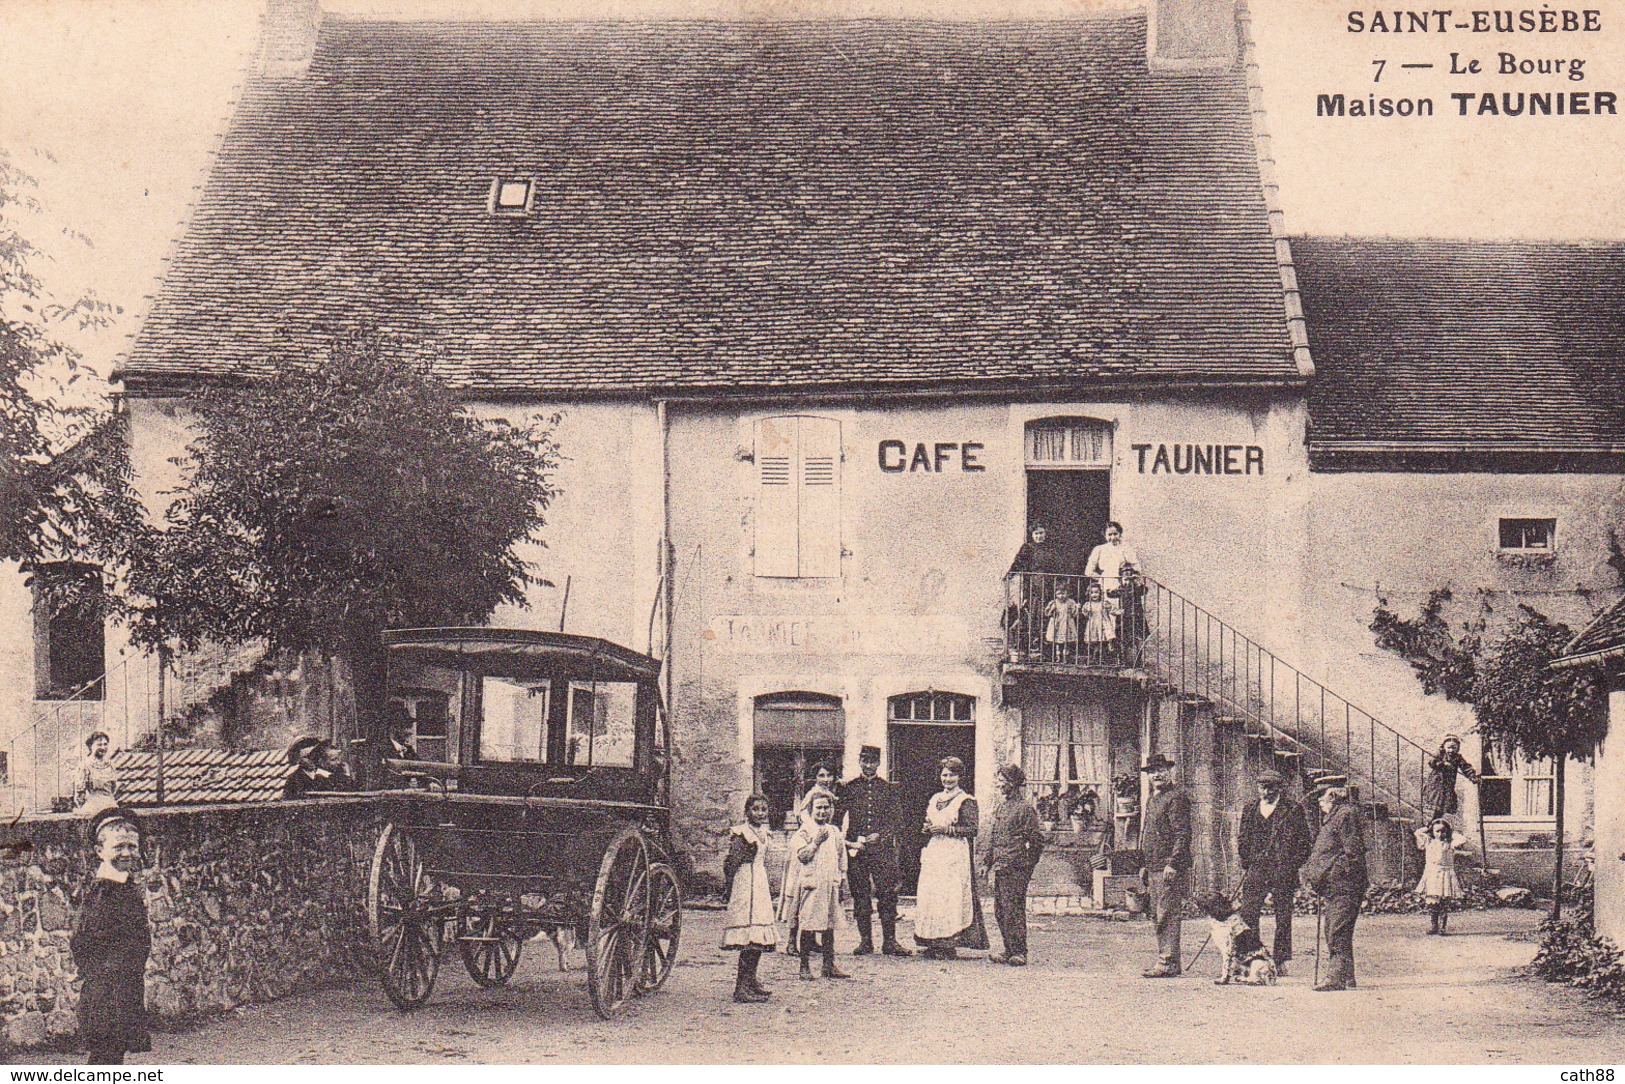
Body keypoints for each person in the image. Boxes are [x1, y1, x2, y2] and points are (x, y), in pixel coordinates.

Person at [71, 807, 151, 1065]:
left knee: (113, 1057)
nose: (127, 853)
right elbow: (81, 942)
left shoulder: (123, 886)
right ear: (99, 852)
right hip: (106, 995)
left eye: (132, 846)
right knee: (105, 1057)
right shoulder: (103, 892)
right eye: (118, 847)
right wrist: (105, 977)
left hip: (124, 989)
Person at [1236, 768, 1312, 974]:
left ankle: (1281, 960)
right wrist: (1247, 861)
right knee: (1248, 914)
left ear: (1279, 788)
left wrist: (1291, 864)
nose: (1265, 792)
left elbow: (1305, 843)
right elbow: (1242, 839)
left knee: (1283, 916)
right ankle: (1252, 956)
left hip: (1283, 871)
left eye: (1270, 788)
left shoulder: (1293, 809)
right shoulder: (1250, 808)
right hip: (1256, 869)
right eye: (1261, 787)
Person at [839, 745, 911, 956]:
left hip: (882, 852)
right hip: (858, 851)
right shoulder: (849, 788)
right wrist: (848, 843)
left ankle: (890, 941)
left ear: (878, 763)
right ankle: (865, 941)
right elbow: (837, 819)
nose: (868, 765)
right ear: (859, 761)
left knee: (887, 895)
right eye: (864, 761)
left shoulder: (888, 788)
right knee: (860, 895)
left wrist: (881, 836)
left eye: (872, 761)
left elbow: (897, 822)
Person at [913, 756, 988, 959]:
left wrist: (947, 829)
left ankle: (948, 943)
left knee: (950, 896)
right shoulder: (935, 798)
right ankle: (933, 942)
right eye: (945, 775)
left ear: (960, 777)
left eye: (952, 775)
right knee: (932, 895)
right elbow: (928, 821)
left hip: (955, 853)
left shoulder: (966, 801)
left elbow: (972, 829)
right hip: (935, 852)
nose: (948, 779)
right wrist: (927, 828)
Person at [1301, 776, 1368, 992]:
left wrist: (1331, 872)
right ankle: (1347, 976)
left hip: (1344, 884)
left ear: (1332, 794)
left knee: (1337, 930)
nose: (1319, 802)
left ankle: (1335, 977)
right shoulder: (1335, 815)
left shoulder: (1346, 815)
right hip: (1335, 885)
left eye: (1321, 796)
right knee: (1335, 928)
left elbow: (1353, 853)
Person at [782, 792, 851, 981]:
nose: (822, 811)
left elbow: (841, 858)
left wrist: (841, 881)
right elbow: (802, 856)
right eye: (818, 807)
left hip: (830, 884)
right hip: (811, 884)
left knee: (829, 926)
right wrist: (816, 842)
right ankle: (804, 966)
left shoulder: (834, 831)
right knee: (808, 925)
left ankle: (828, 965)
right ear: (811, 810)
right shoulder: (804, 832)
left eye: (826, 807)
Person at [980, 764, 1044, 966]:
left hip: (1016, 868)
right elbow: (994, 837)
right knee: (1000, 910)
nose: (999, 784)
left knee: (1013, 909)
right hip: (1001, 866)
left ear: (1014, 783)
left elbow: (1036, 841)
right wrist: (987, 862)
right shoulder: (1002, 806)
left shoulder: (1024, 809)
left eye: (1003, 780)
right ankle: (1008, 950)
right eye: (998, 779)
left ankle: (1019, 952)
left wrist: (1026, 865)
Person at [1139, 753, 1190, 978]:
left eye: (1160, 770)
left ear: (1169, 772)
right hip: (1153, 864)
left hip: (1168, 866)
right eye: (1152, 771)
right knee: (1157, 914)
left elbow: (1182, 833)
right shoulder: (1153, 798)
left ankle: (1167, 962)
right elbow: (1148, 833)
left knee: (1167, 913)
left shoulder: (1176, 797)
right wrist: (1144, 863)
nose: (1156, 775)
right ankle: (1168, 960)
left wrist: (1173, 863)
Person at [723, 794, 778, 1002]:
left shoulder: (764, 832)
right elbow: (731, 863)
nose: (760, 813)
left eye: (764, 809)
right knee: (749, 938)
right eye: (756, 809)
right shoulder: (742, 834)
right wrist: (731, 888)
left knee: (759, 937)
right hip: (746, 885)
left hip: (759, 883)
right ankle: (741, 987)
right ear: (747, 812)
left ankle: (751, 981)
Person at [1415, 818, 1468, 935]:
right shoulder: (1429, 842)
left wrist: (1451, 832)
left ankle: (1442, 927)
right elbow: (1418, 833)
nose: (1440, 834)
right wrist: (1428, 827)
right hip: (1432, 873)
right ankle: (1434, 926)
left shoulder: (1449, 844)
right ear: (1432, 832)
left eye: (1443, 831)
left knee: (1444, 901)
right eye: (1437, 831)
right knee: (1433, 902)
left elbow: (1462, 839)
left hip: (1445, 873)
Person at [1423, 734, 1480, 823]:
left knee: (1443, 807)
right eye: (1449, 747)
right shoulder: (1440, 755)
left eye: (1454, 748)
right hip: (1437, 785)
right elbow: (1431, 762)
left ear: (1457, 748)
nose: (1451, 750)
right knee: (1435, 806)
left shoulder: (1457, 758)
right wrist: (1442, 764)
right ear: (1444, 747)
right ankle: (1431, 825)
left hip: (1448, 785)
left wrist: (1472, 776)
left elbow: (1466, 767)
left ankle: (1434, 824)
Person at [1084, 521, 1140, 601]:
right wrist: (1102, 578)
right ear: (1105, 536)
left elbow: (1136, 566)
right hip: (1105, 583)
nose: (1113, 537)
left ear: (1120, 534)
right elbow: (1088, 571)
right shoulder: (1099, 549)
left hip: (1121, 583)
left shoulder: (1126, 549)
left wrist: (1128, 576)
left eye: (1115, 534)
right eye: (1109, 535)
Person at [78, 732, 119, 816]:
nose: (103, 748)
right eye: (99, 745)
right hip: (93, 808)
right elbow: (79, 794)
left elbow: (114, 789)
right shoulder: (85, 765)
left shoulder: (110, 765)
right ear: (90, 746)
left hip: (110, 805)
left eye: (105, 744)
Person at [1045, 580, 1083, 664]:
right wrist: (1052, 609)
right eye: (1059, 594)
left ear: (1068, 593)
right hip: (1057, 624)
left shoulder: (1071, 602)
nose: (1061, 596)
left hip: (1067, 624)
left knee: (1066, 642)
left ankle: (1066, 657)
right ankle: (1058, 657)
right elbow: (1047, 614)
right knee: (1058, 642)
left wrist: (1077, 608)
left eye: (1063, 593)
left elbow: (1074, 614)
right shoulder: (1053, 602)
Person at [1080, 579, 1115, 663]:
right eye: (1092, 592)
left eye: (1096, 592)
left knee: (1102, 641)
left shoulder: (1104, 603)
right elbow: (1085, 615)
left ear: (1100, 593)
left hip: (1103, 624)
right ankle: (1093, 657)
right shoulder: (1088, 604)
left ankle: (1101, 657)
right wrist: (1086, 611)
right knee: (1093, 641)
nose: (1094, 594)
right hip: (1093, 624)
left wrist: (1114, 610)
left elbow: (1112, 610)